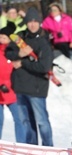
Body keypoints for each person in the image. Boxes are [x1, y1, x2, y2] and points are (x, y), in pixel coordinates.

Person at [5, 7, 54, 146]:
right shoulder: (20, 37)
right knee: (26, 122)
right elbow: (8, 53)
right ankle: (30, 149)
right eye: (29, 22)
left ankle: (48, 149)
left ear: (39, 22)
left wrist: (22, 62)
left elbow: (43, 67)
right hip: (20, 87)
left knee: (42, 122)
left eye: (35, 21)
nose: (32, 24)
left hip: (37, 89)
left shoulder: (45, 41)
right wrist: (19, 54)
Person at [41, 2, 72, 70]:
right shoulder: (48, 20)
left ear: (59, 11)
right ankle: (69, 61)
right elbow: (40, 26)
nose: (53, 12)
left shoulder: (67, 19)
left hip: (69, 39)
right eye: (51, 10)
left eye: (55, 10)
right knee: (62, 46)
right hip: (58, 41)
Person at [0, 22, 25, 141]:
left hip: (13, 90)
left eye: (4, 37)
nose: (1, 39)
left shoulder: (14, 51)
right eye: (0, 36)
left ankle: (21, 145)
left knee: (19, 119)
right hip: (0, 89)